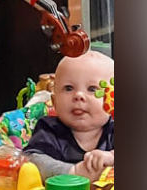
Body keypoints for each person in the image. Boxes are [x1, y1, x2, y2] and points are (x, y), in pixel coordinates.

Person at [22, 51, 117, 180]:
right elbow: (31, 161)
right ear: (54, 102)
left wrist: (111, 158)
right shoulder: (49, 130)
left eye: (92, 89)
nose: (79, 95)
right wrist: (73, 172)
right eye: (68, 88)